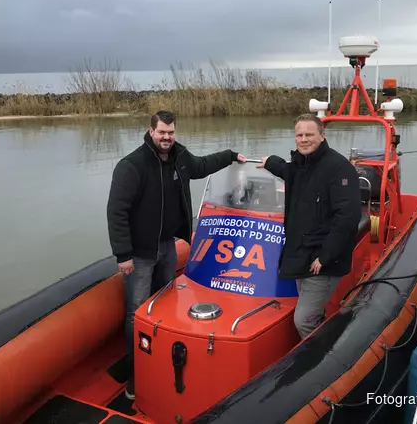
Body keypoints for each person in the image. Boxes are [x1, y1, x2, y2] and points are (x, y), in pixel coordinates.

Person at [107, 110, 246, 400]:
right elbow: (116, 211)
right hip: (141, 253)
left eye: (171, 133)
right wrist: (123, 255)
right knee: (137, 312)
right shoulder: (131, 166)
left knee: (167, 304)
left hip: (168, 246)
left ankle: (162, 360)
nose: (167, 138)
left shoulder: (180, 157)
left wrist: (231, 155)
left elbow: (203, 165)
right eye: (162, 133)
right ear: (151, 131)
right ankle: (136, 374)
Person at [258, 113, 360, 338]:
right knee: (310, 313)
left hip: (321, 260)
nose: (304, 139)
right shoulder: (300, 166)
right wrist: (268, 162)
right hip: (302, 253)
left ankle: (322, 360)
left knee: (304, 320)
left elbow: (348, 216)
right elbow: (287, 171)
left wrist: (325, 256)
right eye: (299, 135)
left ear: (322, 136)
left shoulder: (338, 168)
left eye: (309, 134)